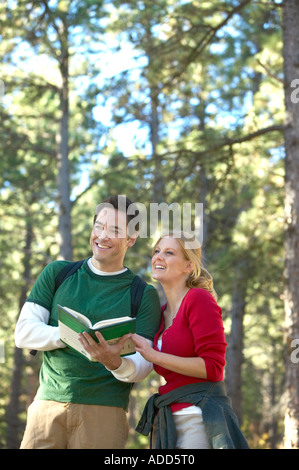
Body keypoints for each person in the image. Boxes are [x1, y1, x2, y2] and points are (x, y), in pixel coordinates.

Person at [15, 195, 161, 449]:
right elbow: (24, 333)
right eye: (99, 226)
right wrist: (70, 335)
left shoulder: (142, 293)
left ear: (131, 239)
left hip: (104, 412)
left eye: (115, 230)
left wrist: (113, 361)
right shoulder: (58, 273)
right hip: (47, 406)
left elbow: (144, 364)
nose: (103, 236)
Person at [131, 231, 249, 449]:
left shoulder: (198, 299)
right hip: (169, 420)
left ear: (188, 266)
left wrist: (155, 355)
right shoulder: (162, 313)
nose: (158, 257)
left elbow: (213, 368)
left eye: (169, 252)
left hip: (199, 418)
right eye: (156, 251)